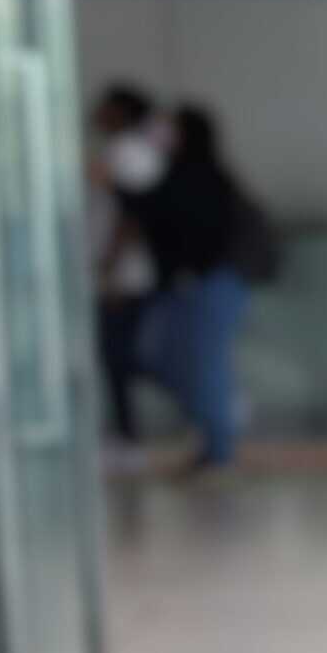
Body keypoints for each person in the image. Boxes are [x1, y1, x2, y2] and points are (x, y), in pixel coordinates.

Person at [131, 101, 262, 473]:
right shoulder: (177, 173)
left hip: (208, 283)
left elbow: (187, 230)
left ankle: (219, 446)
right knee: (168, 359)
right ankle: (215, 424)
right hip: (191, 285)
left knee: (206, 365)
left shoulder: (199, 176)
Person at [86, 82, 166, 457]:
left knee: (120, 354)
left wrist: (112, 269)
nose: (94, 112)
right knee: (120, 353)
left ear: (121, 112)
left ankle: (127, 436)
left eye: (104, 106)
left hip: (126, 274)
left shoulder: (127, 153)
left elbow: (133, 216)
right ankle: (125, 433)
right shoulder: (128, 151)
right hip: (123, 271)